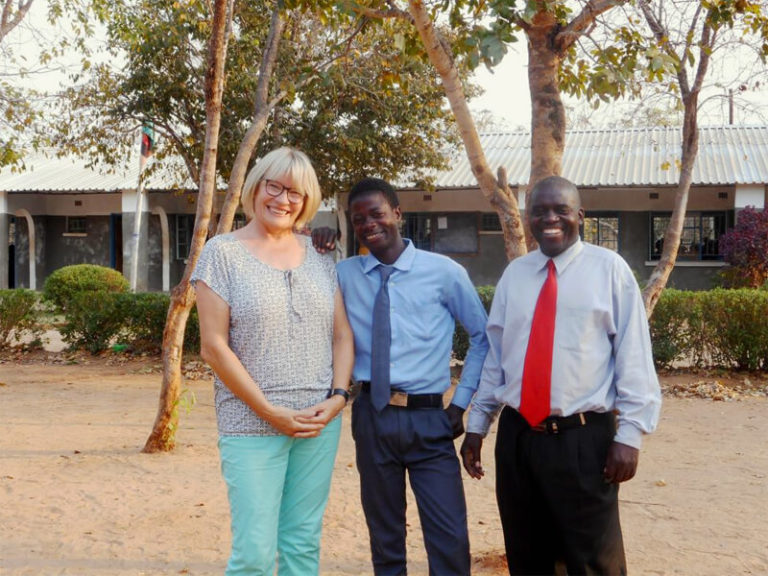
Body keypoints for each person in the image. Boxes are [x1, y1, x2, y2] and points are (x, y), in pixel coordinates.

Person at [461, 176, 661, 575]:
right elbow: (498, 361)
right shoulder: (515, 276)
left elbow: (633, 356)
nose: (550, 218)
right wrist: (478, 427)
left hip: (583, 440)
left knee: (591, 561)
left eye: (561, 210)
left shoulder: (610, 271)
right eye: (540, 210)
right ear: (528, 218)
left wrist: (630, 436)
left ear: (580, 217)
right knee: (527, 554)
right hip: (519, 440)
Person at [191, 147, 354, 576]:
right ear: (256, 187)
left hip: (320, 422)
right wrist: (268, 410)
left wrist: (338, 397)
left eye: (295, 193)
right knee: (255, 555)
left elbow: (341, 334)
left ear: (307, 201)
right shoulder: (221, 253)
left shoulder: (322, 254)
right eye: (274, 186)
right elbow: (213, 346)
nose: (283, 199)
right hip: (251, 423)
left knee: (302, 545)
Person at [314, 177, 489, 576]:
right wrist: (316, 246)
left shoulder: (444, 273)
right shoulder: (343, 274)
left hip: (430, 419)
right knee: (385, 535)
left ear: (397, 213)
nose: (368, 224)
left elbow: (483, 337)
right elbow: (300, 281)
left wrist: (460, 405)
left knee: (448, 538)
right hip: (372, 417)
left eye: (376, 213)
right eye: (358, 219)